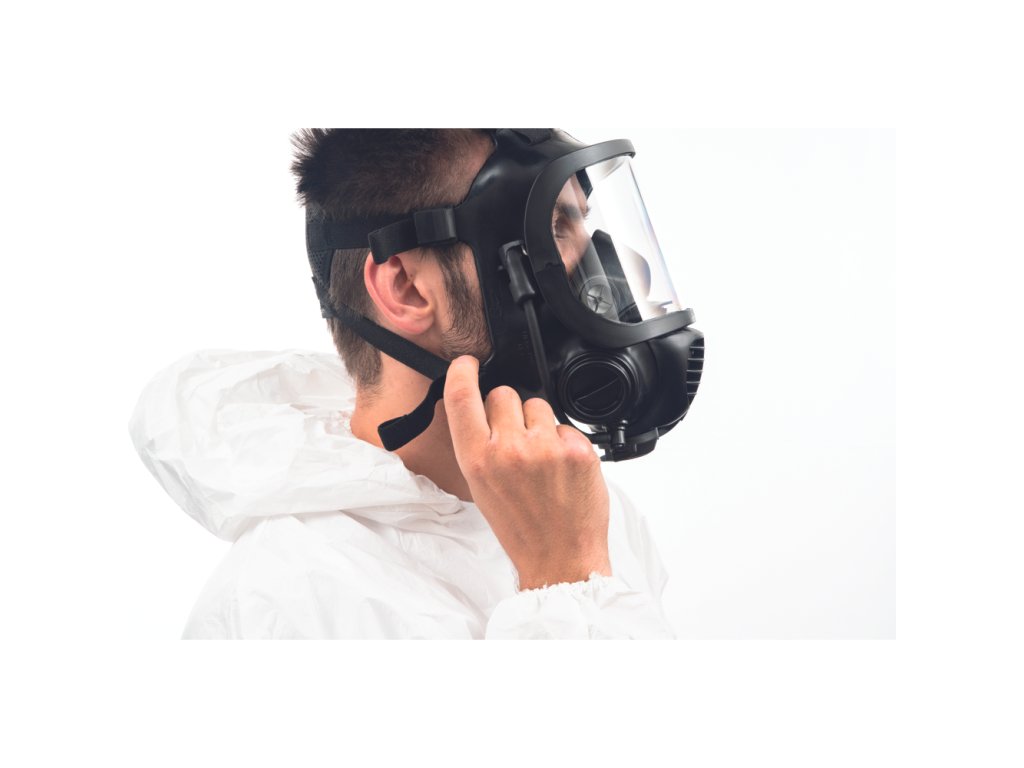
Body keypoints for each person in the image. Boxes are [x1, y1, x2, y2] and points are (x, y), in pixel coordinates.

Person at [128, 129, 683, 638]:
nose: (618, 266)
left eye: (584, 223)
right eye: (556, 228)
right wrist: (566, 583)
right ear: (407, 289)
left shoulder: (586, 509)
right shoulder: (286, 602)